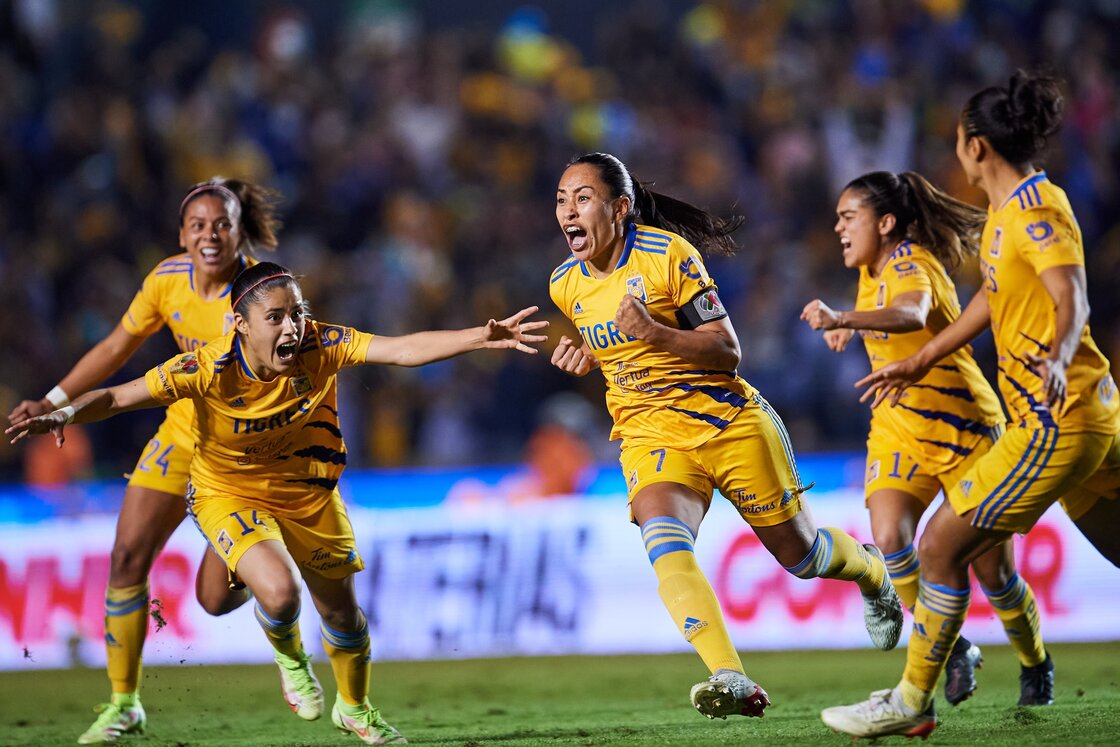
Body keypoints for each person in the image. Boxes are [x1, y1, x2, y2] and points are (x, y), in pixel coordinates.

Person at [8, 261, 549, 745]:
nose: (292, 327)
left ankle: (355, 708)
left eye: (297, 314)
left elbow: (400, 349)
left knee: (339, 612)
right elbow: (120, 395)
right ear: (240, 325)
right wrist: (63, 414)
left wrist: (479, 337)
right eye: (276, 317)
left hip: (309, 492)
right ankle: (291, 662)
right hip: (228, 490)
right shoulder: (208, 368)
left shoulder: (321, 342)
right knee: (282, 592)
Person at [548, 152, 904, 721]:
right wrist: (588, 356)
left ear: (620, 207)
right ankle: (731, 676)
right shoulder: (565, 285)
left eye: (582, 198)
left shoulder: (669, 257)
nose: (568, 211)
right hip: (649, 433)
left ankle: (870, 569)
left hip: (728, 424)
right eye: (562, 200)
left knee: (804, 557)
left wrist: (656, 332)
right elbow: (617, 344)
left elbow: (726, 349)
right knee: (663, 543)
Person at [821, 71, 1120, 740]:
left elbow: (1070, 290)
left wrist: (1059, 349)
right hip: (1088, 413)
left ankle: (913, 697)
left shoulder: (1033, 211)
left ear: (976, 145)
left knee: (940, 550)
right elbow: (992, 298)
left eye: (958, 137)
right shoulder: (1007, 213)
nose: (955, 149)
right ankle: (949, 671)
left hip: (1054, 418)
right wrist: (922, 356)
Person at [7, 177, 280, 744]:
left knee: (211, 598)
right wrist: (54, 401)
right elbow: (114, 347)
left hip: (239, 455)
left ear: (238, 232)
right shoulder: (166, 280)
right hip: (182, 436)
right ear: (182, 234)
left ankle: (263, 551)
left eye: (221, 224)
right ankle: (124, 704)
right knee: (127, 555)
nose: (210, 235)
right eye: (199, 225)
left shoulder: (260, 294)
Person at [801, 170, 1051, 707]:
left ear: (886, 223)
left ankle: (1036, 662)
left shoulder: (913, 262)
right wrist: (856, 324)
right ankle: (955, 646)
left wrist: (843, 315)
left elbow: (912, 311)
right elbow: (890, 314)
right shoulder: (871, 268)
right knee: (890, 538)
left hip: (964, 428)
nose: (839, 228)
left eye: (850, 218)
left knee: (996, 576)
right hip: (899, 430)